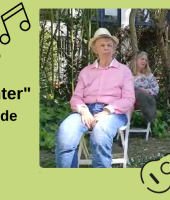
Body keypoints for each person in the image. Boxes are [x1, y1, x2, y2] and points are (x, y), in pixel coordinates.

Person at [54, 28, 135, 168]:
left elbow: (129, 98)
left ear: (114, 49)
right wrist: (84, 111)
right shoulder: (86, 72)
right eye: (102, 45)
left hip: (114, 113)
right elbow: (76, 97)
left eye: (109, 45)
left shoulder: (124, 71)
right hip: (86, 110)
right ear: (95, 49)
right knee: (65, 135)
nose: (106, 48)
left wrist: (106, 111)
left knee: (100, 134)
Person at [130, 51, 159, 123]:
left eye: (146, 60)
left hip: (144, 100)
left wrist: (146, 91)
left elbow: (156, 89)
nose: (144, 61)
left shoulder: (148, 75)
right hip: (129, 100)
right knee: (129, 105)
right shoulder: (127, 73)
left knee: (139, 92)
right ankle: (125, 128)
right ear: (136, 60)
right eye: (142, 59)